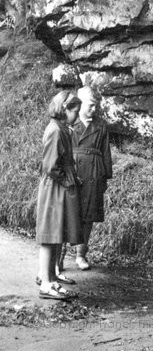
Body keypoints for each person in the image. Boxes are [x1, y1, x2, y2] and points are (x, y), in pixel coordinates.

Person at [35, 91, 82, 300]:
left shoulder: (62, 128)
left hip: (59, 186)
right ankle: (45, 283)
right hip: (54, 187)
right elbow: (50, 166)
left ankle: (52, 279)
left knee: (57, 236)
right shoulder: (55, 130)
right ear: (64, 110)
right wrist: (67, 179)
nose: (77, 117)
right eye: (75, 112)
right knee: (49, 236)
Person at [71, 85, 112, 270]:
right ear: (79, 104)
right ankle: (59, 255)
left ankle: (81, 255)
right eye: (91, 105)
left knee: (87, 215)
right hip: (73, 170)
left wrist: (104, 178)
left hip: (94, 172)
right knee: (69, 212)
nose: (94, 110)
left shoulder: (101, 125)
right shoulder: (70, 123)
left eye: (96, 106)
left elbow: (106, 153)